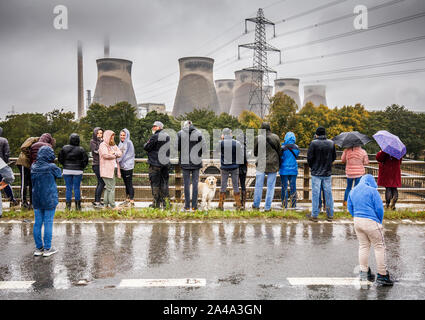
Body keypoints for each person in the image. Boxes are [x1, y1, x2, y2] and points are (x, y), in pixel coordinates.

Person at [347, 174, 394, 286]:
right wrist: (379, 222)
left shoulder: (353, 191)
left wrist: (356, 216)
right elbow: (379, 209)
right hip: (371, 221)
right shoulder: (373, 191)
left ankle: (364, 273)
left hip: (357, 221)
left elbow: (350, 207)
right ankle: (382, 275)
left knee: (363, 246)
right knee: (379, 246)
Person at [31, 146, 62, 257]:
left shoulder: (33, 166)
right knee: (48, 222)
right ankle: (48, 248)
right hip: (49, 198)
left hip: (36, 198)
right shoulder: (51, 166)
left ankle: (39, 248)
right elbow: (59, 174)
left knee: (37, 223)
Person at [307, 126, 336, 222]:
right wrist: (328, 164)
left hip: (316, 173)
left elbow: (309, 158)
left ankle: (315, 215)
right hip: (327, 172)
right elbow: (334, 157)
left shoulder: (313, 143)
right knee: (328, 194)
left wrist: (313, 167)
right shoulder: (331, 143)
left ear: (317, 134)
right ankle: (330, 214)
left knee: (315, 194)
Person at [177, 120, 205, 211]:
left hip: (185, 162)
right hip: (196, 162)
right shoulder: (199, 133)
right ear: (192, 125)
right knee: (195, 184)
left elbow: (176, 147)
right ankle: (194, 206)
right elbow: (203, 147)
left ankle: (186, 206)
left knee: (186, 184)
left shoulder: (180, 133)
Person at [253, 122, 281, 212]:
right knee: (270, 186)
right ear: (269, 128)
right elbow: (279, 151)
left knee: (258, 185)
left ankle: (256, 205)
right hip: (273, 164)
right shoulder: (276, 137)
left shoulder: (257, 138)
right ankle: (267, 207)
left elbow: (255, 152)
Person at [58, 133, 89, 211]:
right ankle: (78, 207)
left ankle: (68, 206)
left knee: (68, 188)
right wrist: (81, 167)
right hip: (78, 170)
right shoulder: (81, 149)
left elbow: (60, 158)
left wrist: (65, 164)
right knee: (76, 188)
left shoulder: (64, 148)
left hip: (67, 170)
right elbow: (85, 160)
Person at [144, 121, 170, 209]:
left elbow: (146, 147)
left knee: (155, 184)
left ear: (159, 127)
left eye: (154, 126)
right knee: (164, 184)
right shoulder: (167, 136)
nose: (153, 128)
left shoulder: (155, 136)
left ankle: (156, 204)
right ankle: (166, 204)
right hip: (165, 164)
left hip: (155, 163)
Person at [217, 128, 243, 210]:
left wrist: (222, 140)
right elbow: (240, 155)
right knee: (235, 185)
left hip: (224, 167)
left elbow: (217, 151)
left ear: (223, 134)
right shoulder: (236, 143)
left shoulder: (221, 143)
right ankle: (238, 205)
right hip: (234, 167)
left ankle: (221, 205)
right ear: (230, 133)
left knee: (223, 185)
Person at [98, 130, 122, 209]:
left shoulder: (113, 145)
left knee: (109, 188)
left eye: (113, 136)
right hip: (106, 169)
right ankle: (112, 205)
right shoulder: (103, 145)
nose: (112, 138)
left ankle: (106, 204)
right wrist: (115, 155)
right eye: (111, 136)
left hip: (112, 169)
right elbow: (105, 155)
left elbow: (120, 153)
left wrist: (113, 153)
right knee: (111, 188)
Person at [16, 136, 39, 210]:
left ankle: (32, 202)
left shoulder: (37, 142)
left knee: (31, 183)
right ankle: (23, 202)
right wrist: (30, 155)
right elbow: (23, 147)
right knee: (24, 183)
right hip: (23, 162)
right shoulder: (32, 139)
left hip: (30, 164)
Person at [279, 132, 300, 209]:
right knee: (293, 187)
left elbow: (281, 157)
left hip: (284, 170)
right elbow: (297, 155)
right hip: (293, 170)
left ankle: (284, 205)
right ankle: (293, 204)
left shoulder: (283, 147)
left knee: (284, 187)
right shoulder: (296, 147)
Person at [0, 127, 19, 208]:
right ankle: (12, 199)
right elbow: (7, 153)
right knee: (5, 182)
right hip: (1, 163)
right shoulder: (4, 140)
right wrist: (6, 162)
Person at [118, 128, 136, 208]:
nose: (122, 137)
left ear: (127, 135)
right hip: (122, 166)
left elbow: (129, 155)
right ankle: (127, 199)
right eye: (121, 135)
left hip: (128, 166)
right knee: (126, 184)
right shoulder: (120, 143)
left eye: (124, 135)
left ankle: (132, 201)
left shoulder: (129, 143)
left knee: (129, 183)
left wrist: (119, 159)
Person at [90, 127, 105, 208]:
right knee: (102, 182)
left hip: (102, 164)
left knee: (100, 183)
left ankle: (97, 200)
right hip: (96, 164)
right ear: (95, 134)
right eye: (98, 133)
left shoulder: (102, 141)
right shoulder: (92, 141)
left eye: (101, 133)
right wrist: (102, 142)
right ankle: (97, 201)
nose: (99, 135)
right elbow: (97, 151)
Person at [236, 132, 248, 209]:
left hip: (237, 168)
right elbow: (245, 158)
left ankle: (238, 202)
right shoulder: (244, 147)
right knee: (243, 185)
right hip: (243, 168)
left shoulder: (236, 146)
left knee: (236, 185)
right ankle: (243, 203)